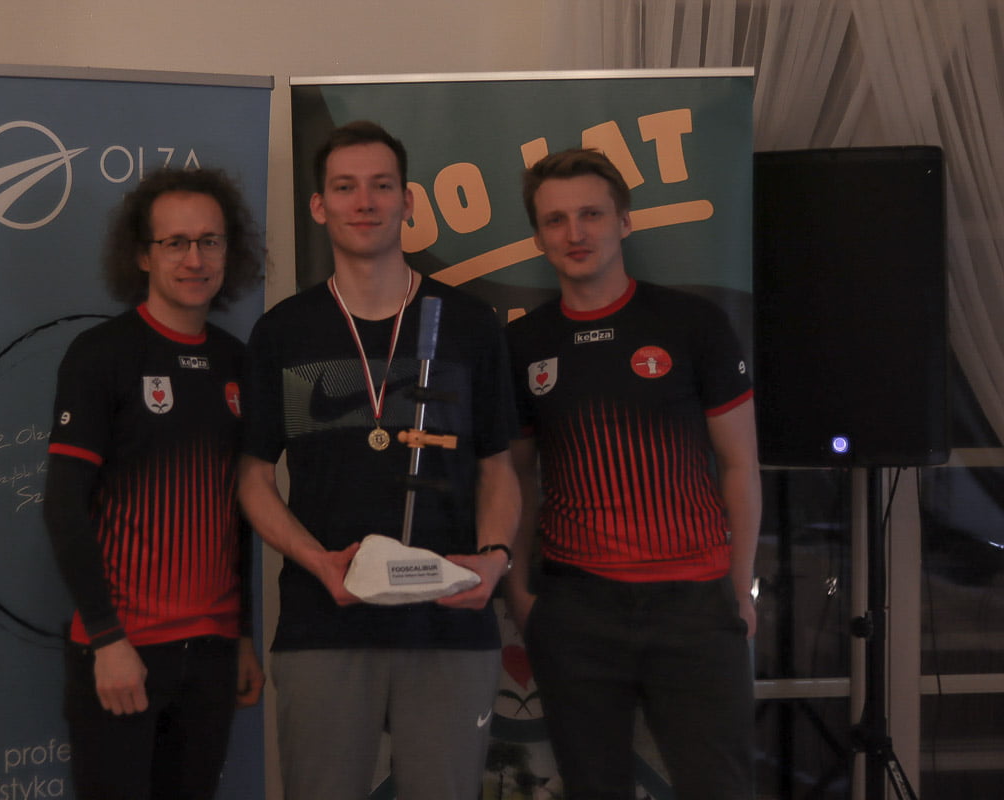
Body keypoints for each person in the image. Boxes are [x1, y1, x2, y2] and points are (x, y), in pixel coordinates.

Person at [238, 120, 521, 800]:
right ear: (319, 206)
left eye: (381, 186)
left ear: (408, 200)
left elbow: (498, 467)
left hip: (450, 621)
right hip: (323, 621)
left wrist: (495, 558)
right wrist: (318, 562)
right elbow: (252, 479)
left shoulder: (472, 324)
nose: (364, 202)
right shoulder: (282, 331)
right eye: (345, 187)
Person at [504, 148, 760, 800]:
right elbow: (516, 480)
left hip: (695, 607)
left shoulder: (693, 324)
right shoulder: (524, 344)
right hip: (576, 610)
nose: (575, 232)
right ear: (538, 237)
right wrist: (520, 592)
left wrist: (738, 586)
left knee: (721, 789)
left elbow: (739, 464)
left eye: (591, 214)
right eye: (556, 220)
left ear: (624, 221)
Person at [43, 167, 266, 800]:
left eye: (210, 241)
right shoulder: (101, 354)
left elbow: (240, 513)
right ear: (142, 255)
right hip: (124, 651)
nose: (195, 259)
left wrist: (242, 635)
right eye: (175, 243)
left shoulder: (237, 362)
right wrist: (107, 638)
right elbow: (63, 505)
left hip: (213, 653)